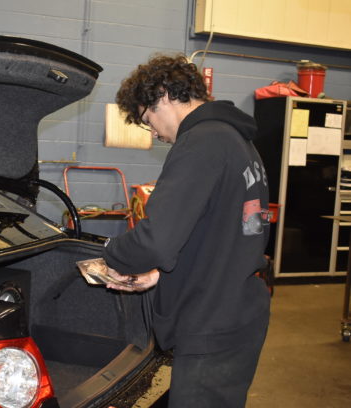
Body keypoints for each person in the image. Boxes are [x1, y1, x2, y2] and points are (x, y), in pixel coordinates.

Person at [102, 54, 271, 408]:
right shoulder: (239, 142)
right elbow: (221, 236)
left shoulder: (200, 142)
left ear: (163, 95)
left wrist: (110, 252)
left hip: (211, 321)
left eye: (147, 120)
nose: (153, 132)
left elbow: (155, 242)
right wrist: (159, 276)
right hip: (238, 310)